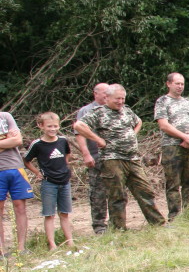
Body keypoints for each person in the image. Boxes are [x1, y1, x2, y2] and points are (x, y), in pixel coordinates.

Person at [73, 84, 166, 229]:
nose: (120, 101)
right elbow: (79, 126)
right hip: (112, 159)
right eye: (117, 99)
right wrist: (98, 140)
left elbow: (138, 121)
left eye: (123, 98)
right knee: (117, 196)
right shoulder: (99, 112)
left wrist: (132, 134)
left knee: (145, 191)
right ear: (107, 97)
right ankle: (118, 228)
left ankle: (158, 223)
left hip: (132, 159)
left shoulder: (127, 111)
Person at [24, 112, 75, 250]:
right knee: (49, 214)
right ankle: (52, 244)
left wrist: (65, 165)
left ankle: (70, 241)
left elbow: (68, 153)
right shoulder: (37, 144)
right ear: (41, 126)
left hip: (64, 181)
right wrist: (37, 172)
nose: (52, 129)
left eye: (55, 126)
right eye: (49, 126)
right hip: (48, 183)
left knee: (64, 213)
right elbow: (26, 160)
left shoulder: (63, 140)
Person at [154, 72, 189, 220]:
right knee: (173, 183)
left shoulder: (188, 102)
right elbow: (163, 125)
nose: (180, 86)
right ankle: (174, 216)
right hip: (171, 146)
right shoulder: (162, 101)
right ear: (169, 84)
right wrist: (183, 136)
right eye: (177, 83)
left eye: (182, 84)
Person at [75, 82, 110, 234]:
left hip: (114, 158)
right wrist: (86, 154)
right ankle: (99, 226)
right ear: (95, 94)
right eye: (104, 93)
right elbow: (79, 134)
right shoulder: (86, 111)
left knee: (116, 192)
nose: (107, 95)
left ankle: (116, 223)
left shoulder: (114, 109)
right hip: (96, 157)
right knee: (97, 193)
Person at [0, 109, 34, 255]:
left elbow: (17, 141)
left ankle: (21, 248)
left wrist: (10, 140)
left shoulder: (5, 116)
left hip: (15, 168)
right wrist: (6, 140)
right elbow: (12, 140)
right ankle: (1, 250)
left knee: (20, 207)